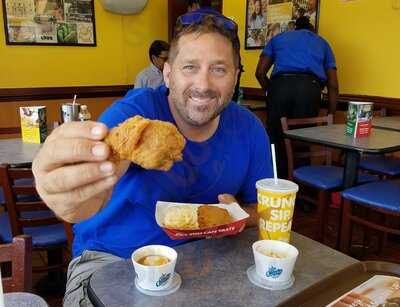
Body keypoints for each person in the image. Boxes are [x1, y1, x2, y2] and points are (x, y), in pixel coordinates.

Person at [32, 13, 273, 306]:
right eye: (190, 67)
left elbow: (267, 210)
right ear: (168, 74)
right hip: (110, 260)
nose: (203, 83)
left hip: (206, 260)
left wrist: (240, 216)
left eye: (219, 69)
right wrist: (68, 196)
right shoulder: (134, 117)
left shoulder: (250, 128)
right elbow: (87, 195)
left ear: (235, 77)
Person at [255, 16, 338, 178]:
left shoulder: (278, 39)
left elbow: (259, 73)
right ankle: (300, 187)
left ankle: (275, 185)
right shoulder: (322, 43)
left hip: (279, 87)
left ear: (294, 28)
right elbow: (333, 85)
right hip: (309, 89)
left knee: (276, 140)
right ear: (312, 30)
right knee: (302, 139)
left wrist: (270, 91)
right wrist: (331, 114)